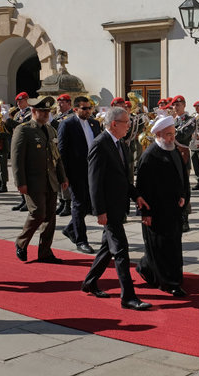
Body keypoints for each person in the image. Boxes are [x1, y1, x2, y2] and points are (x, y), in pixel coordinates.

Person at [82, 106, 152, 310]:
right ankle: (128, 296)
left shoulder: (120, 144)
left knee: (107, 249)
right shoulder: (100, 144)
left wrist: (136, 195)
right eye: (126, 122)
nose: (129, 125)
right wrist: (99, 211)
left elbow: (122, 177)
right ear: (114, 124)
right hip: (108, 208)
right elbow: (94, 181)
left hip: (118, 205)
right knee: (121, 250)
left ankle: (90, 281)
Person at [136, 115, 189, 297]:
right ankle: (170, 283)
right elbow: (142, 189)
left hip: (173, 210)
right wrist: (145, 213)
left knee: (173, 246)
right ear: (158, 134)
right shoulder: (150, 155)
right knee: (160, 247)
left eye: (173, 134)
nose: (171, 138)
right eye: (167, 134)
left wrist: (183, 196)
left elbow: (183, 176)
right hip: (156, 211)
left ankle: (148, 269)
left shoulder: (173, 150)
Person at [11, 96, 68, 264]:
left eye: (48, 111)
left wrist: (62, 177)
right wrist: (20, 182)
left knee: (50, 217)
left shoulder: (50, 130)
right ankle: (21, 243)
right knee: (38, 213)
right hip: (33, 181)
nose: (46, 114)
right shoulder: (24, 130)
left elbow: (56, 157)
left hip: (50, 180)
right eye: (43, 111)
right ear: (34, 111)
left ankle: (45, 252)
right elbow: (17, 159)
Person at [58, 96, 101, 254]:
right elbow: (62, 151)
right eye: (84, 108)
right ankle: (81, 240)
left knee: (88, 204)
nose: (88, 111)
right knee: (78, 204)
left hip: (92, 170)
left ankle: (70, 229)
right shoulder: (67, 124)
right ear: (75, 109)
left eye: (89, 108)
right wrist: (64, 175)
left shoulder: (94, 123)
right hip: (75, 171)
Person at [172, 95, 194, 232]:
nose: (176, 107)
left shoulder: (190, 120)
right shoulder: (171, 120)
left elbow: (183, 135)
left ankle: (185, 218)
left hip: (182, 155)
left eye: (178, 105)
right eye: (174, 105)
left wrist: (168, 132)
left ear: (184, 105)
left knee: (184, 188)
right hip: (170, 156)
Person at [8, 92, 33, 212]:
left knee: (25, 173)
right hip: (17, 143)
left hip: (26, 144)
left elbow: (26, 127)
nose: (18, 103)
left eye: (21, 101)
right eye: (17, 101)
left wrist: (14, 124)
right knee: (18, 172)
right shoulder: (18, 113)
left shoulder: (30, 113)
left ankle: (28, 201)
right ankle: (23, 199)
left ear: (27, 100)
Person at [52, 94, 75, 217]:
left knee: (64, 177)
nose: (59, 105)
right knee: (56, 178)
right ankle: (61, 201)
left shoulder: (71, 117)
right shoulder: (56, 116)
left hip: (66, 151)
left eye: (62, 103)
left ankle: (67, 203)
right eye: (58, 103)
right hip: (55, 150)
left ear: (68, 103)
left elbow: (62, 128)